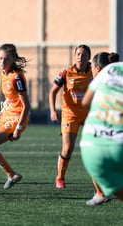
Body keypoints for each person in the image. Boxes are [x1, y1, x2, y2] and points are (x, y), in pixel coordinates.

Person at [0, 43, 30, 192]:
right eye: (0, 58)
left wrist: (19, 128)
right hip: (7, 114)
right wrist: (2, 111)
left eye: (6, 59)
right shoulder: (4, 73)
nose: (2, 62)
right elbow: (10, 99)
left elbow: (26, 106)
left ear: (13, 59)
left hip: (16, 118)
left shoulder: (17, 77)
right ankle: (11, 175)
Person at [49, 44, 92, 188]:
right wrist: (53, 111)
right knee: (68, 148)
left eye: (84, 54)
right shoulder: (66, 72)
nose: (81, 57)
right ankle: (60, 178)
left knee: (95, 147)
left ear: (89, 57)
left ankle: (100, 181)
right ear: (75, 56)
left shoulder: (94, 73)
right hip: (69, 113)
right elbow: (53, 91)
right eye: (78, 54)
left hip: (88, 114)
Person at [80, 57, 123, 203]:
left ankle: (101, 193)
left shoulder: (109, 70)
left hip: (92, 146)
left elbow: (86, 102)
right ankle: (101, 193)